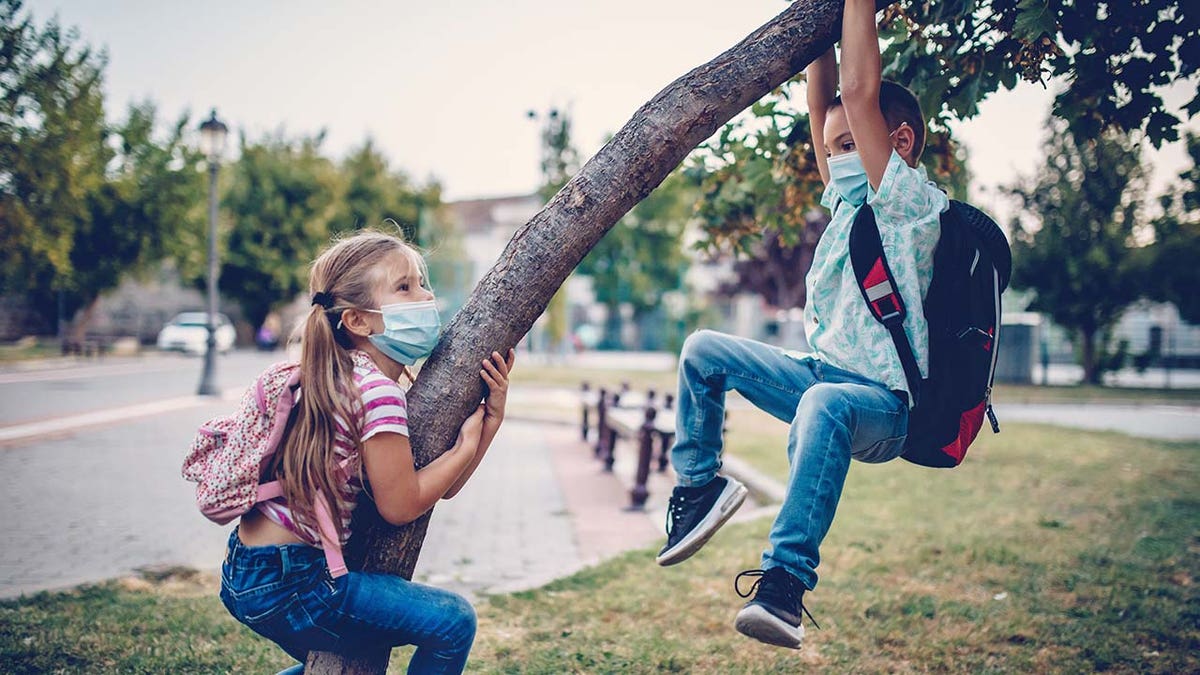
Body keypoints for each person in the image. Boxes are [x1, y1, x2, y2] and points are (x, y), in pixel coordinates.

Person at [655, 0, 948, 651]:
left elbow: (855, 91)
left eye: (851, 144)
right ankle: (700, 486)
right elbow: (826, 107)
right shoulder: (847, 201)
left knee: (823, 402)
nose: (834, 154)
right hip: (822, 378)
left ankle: (784, 585)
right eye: (833, 147)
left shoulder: (905, 201)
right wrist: (820, 35)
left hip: (883, 404)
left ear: (896, 142)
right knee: (704, 350)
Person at [218, 229, 516, 673]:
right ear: (358, 321)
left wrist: (489, 422)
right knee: (452, 621)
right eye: (404, 287)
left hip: (245, 570)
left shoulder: (329, 374)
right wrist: (468, 443)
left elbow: (438, 488)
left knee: (348, 661)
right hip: (295, 582)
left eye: (421, 281)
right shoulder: (375, 392)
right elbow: (402, 505)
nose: (425, 296)